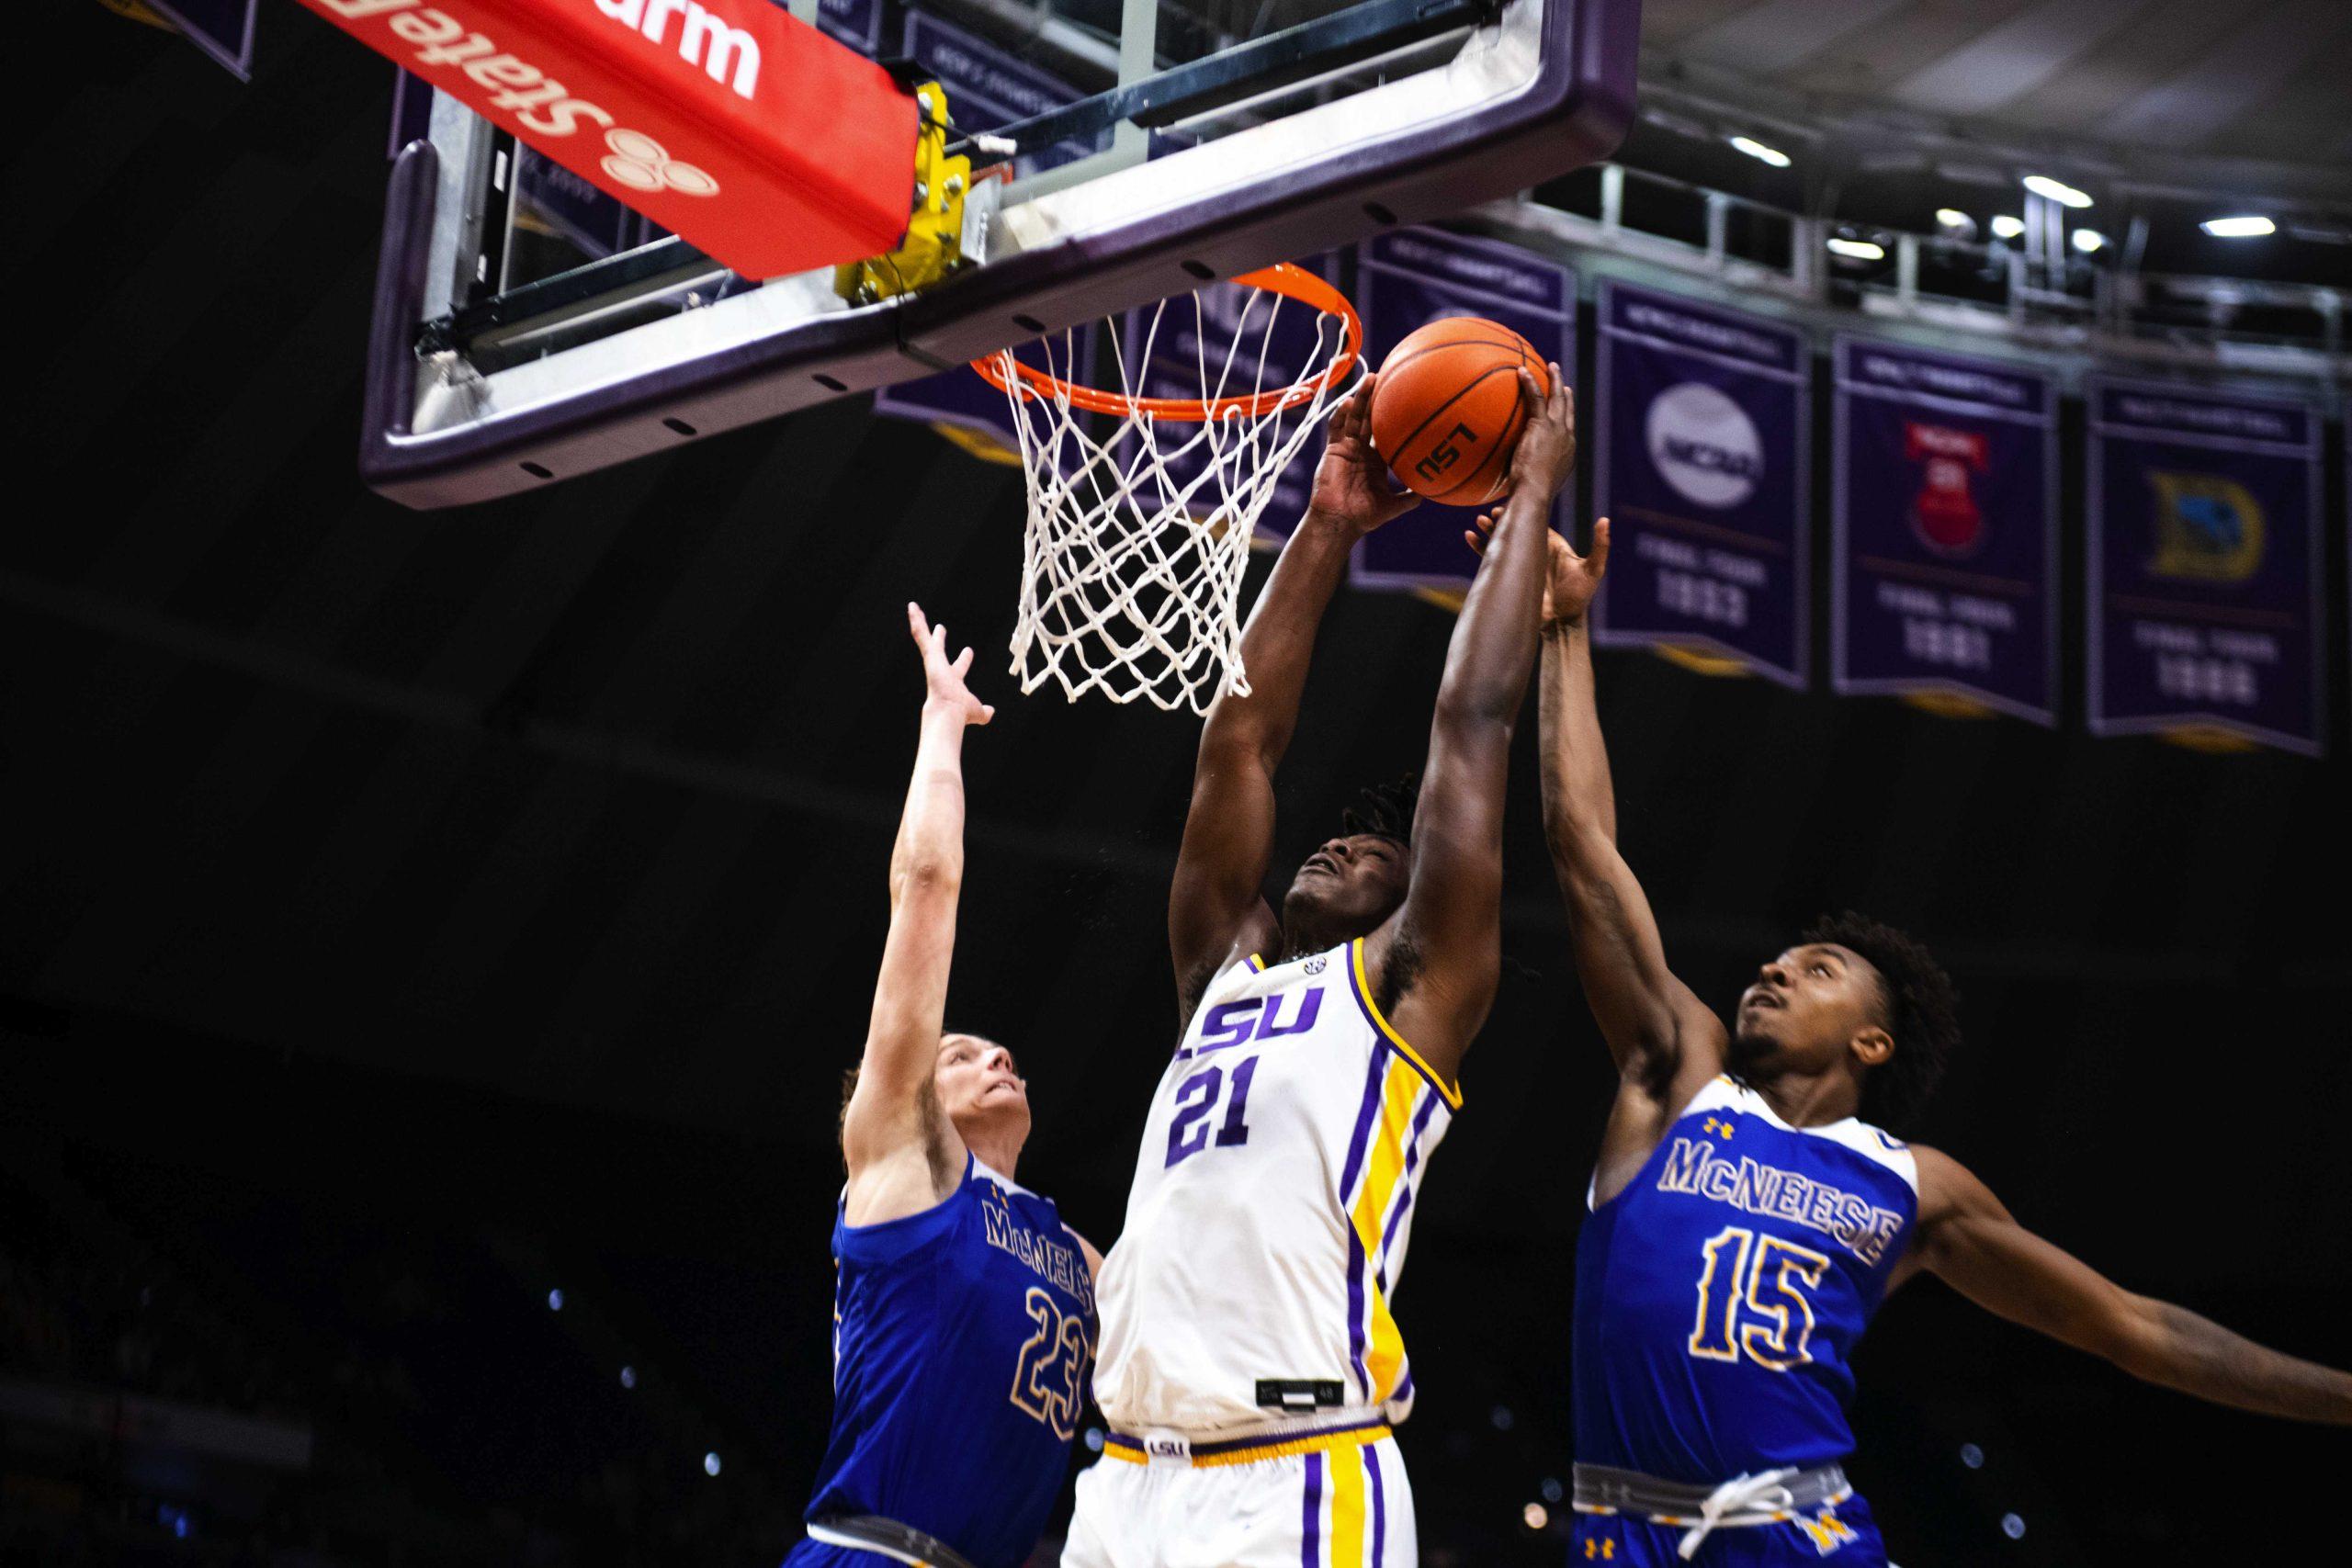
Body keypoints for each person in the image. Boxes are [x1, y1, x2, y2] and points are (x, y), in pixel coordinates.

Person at [1508, 518, 2352, 1563]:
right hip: (1618, 1531)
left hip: (1798, 1536)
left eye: (1815, 970)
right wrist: (1562, 631)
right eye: (1777, 959)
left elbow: (2133, 1329)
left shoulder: (1919, 1188)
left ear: (1870, 1043)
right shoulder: (1679, 1076)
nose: (1771, 969)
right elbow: (1584, 849)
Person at [1063, 367, 1577, 1567]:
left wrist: (1537, 484)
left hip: (1293, 1476)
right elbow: (1240, 739)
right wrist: (1329, 522)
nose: (1340, 838)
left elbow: (1472, 727)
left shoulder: (1409, 990)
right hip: (1127, 1477)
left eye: (1377, 850)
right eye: (1340, 831)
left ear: (1419, 900)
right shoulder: (1223, 974)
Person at [787, 605, 1100, 1568]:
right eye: (960, 1050)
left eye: (1003, 1051)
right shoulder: (904, 1159)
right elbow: (925, 886)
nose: (995, 1058)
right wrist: (941, 727)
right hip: (866, 1552)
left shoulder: (1081, 1256)